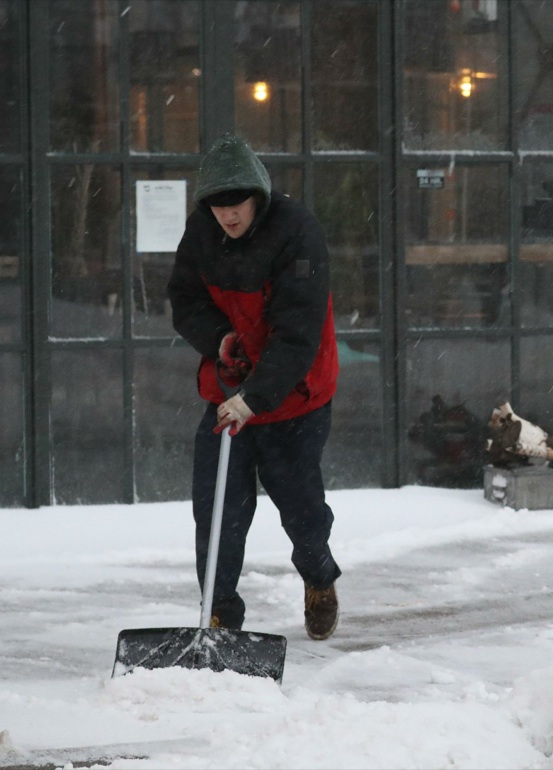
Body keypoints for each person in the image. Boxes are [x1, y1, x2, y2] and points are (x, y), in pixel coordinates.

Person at [167, 133, 341, 641]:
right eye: (218, 206)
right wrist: (220, 341)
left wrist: (255, 399)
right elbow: (185, 300)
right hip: (228, 391)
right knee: (218, 514)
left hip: (295, 396)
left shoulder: (297, 234)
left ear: (257, 196)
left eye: (236, 204)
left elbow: (297, 333)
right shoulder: (201, 234)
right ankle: (219, 620)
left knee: (301, 508)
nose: (228, 215)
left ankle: (319, 579)